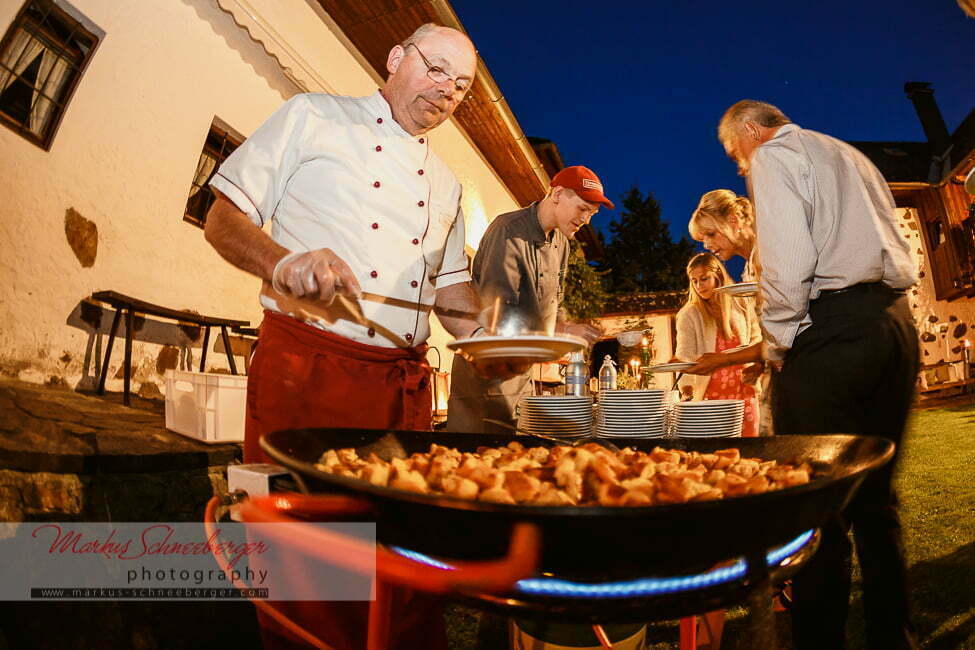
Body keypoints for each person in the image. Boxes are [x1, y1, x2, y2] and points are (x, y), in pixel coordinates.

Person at [204, 23, 487, 650]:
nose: (447, 91)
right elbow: (221, 218)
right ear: (395, 58)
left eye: (461, 86)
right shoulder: (314, 117)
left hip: (402, 395)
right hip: (310, 372)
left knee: (403, 555)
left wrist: (492, 343)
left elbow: (450, 296)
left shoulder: (447, 184)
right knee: (312, 561)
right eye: (436, 69)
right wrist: (282, 264)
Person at [717, 99, 920, 649]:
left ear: (753, 132)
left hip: (832, 332)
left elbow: (787, 261)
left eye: (736, 154)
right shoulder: (849, 154)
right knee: (878, 501)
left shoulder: (774, 155)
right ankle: (892, 637)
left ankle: (819, 640)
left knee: (816, 505)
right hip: (895, 325)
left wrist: (778, 343)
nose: (741, 168)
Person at [445, 166, 607, 433]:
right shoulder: (507, 230)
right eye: (582, 209)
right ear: (557, 194)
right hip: (485, 378)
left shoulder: (562, 244)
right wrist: (560, 331)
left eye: (592, 213)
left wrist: (566, 329)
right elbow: (498, 313)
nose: (587, 220)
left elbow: (554, 304)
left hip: (522, 376)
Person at [686, 190, 772, 434]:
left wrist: (721, 360)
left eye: (711, 234)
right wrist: (759, 361)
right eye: (703, 238)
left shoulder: (768, 257)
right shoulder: (750, 268)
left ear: (734, 220)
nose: (707, 245)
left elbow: (785, 337)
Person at [674, 252, 761, 436]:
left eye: (704, 279)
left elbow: (756, 336)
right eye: (694, 281)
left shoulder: (741, 302)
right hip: (709, 395)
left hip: (744, 391)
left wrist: (755, 367)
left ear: (718, 276)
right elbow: (685, 355)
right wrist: (687, 390)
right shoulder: (688, 314)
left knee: (750, 447)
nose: (699, 286)